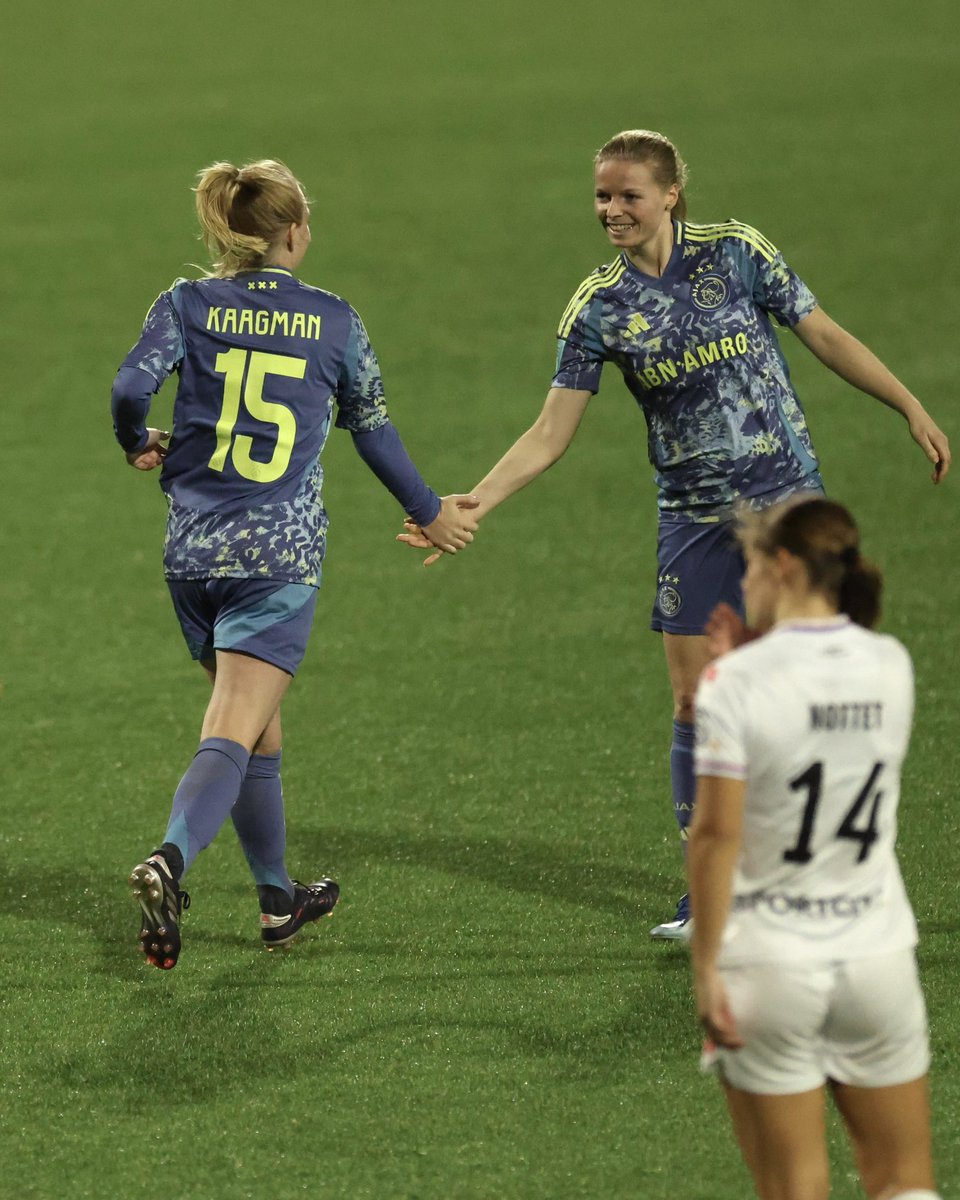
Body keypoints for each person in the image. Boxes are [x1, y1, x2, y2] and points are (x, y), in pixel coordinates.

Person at [399, 128, 950, 938]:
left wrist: (908, 404)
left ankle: (828, 861)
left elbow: (821, 332)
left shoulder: (736, 254)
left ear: (670, 195)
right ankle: (711, 894)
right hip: (692, 521)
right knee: (697, 703)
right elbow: (552, 432)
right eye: (601, 196)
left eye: (628, 195)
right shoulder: (598, 308)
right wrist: (476, 499)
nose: (611, 210)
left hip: (787, 504)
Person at [112, 158, 478, 969]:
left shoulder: (185, 303)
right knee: (234, 727)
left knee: (259, 730)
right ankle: (169, 859)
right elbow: (373, 430)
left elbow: (128, 389)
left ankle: (279, 900)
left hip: (192, 555)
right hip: (276, 559)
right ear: (293, 233)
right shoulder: (334, 320)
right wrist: (431, 512)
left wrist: (137, 442)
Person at [688, 496, 939, 1200]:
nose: (744, 585)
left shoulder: (733, 683)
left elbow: (715, 836)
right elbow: (818, 708)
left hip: (769, 965)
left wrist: (705, 968)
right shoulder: (891, 664)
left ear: (785, 566)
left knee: (795, 1186)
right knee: (904, 1183)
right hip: (877, 961)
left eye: (751, 567)